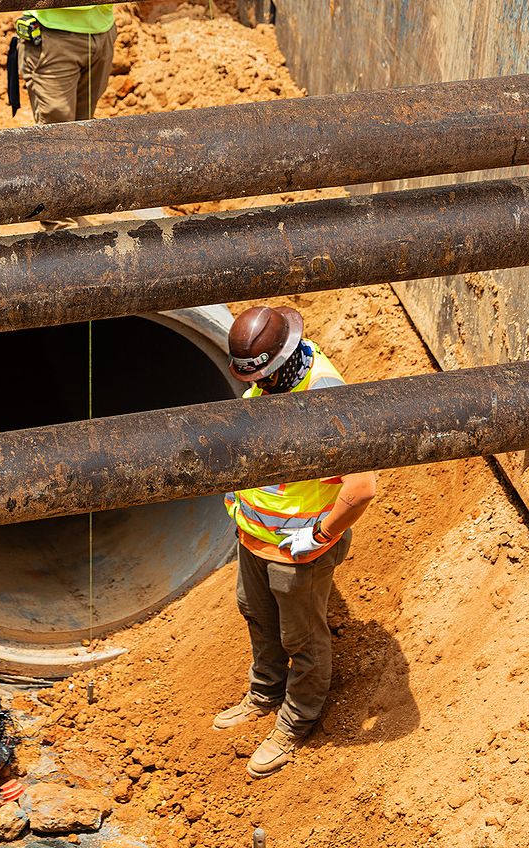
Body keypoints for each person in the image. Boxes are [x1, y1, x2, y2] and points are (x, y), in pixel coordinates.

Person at [215, 305, 377, 779]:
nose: (259, 386)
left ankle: (295, 721)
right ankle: (264, 692)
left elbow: (362, 486)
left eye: (266, 376)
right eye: (253, 378)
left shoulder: (326, 400)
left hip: (299, 550)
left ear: (284, 358)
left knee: (301, 638)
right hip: (255, 537)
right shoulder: (272, 382)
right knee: (255, 613)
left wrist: (322, 533)